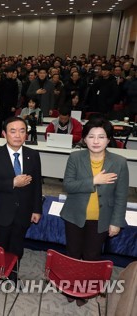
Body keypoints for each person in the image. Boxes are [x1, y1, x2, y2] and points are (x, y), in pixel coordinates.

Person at [60, 117, 128, 305]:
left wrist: (116, 222)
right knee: (72, 254)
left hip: (101, 219)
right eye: (91, 136)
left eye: (101, 137)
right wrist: (93, 181)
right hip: (74, 216)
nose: (96, 141)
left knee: (91, 257)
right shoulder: (75, 157)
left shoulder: (119, 162)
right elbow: (68, 185)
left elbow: (121, 196)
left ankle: (85, 291)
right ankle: (71, 288)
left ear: (108, 139)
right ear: (84, 139)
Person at [0, 116, 42, 284]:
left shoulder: (33, 155)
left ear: (27, 134)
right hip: (1, 212)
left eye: (22, 131)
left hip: (23, 212)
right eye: (13, 131)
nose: (17, 135)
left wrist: (37, 209)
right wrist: (12, 182)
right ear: (4, 134)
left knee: (17, 248)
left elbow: (37, 184)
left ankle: (12, 275)